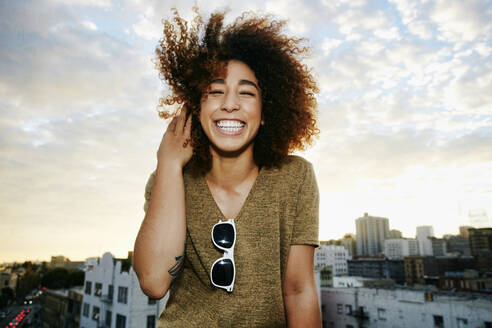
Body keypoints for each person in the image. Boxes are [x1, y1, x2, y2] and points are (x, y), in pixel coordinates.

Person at [133, 8, 321, 327]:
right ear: (196, 106)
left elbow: (299, 290)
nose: (229, 104)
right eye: (216, 91)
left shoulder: (295, 177)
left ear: (265, 112)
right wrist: (168, 163)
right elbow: (153, 282)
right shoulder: (169, 179)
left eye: (246, 93)